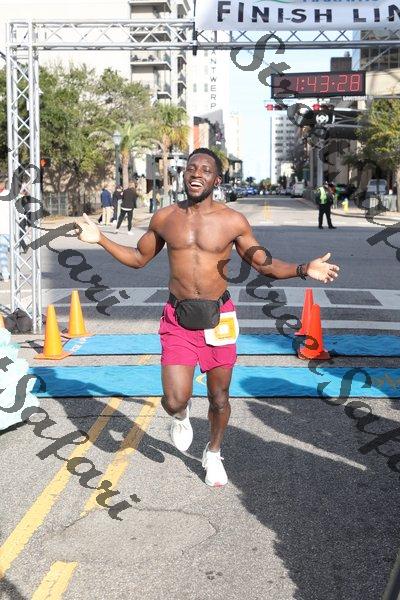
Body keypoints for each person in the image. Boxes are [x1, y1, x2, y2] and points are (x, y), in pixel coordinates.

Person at [76, 148, 340, 487]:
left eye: (205, 169)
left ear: (216, 180)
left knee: (219, 397)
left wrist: (303, 269)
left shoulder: (232, 221)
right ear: (184, 174)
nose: (196, 173)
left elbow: (264, 264)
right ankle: (181, 415)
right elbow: (139, 258)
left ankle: (213, 452)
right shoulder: (165, 217)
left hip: (219, 318)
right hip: (178, 318)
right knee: (174, 400)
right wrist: (101, 239)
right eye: (191, 168)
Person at [0, 180, 10, 281]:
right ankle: (5, 274)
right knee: (2, 253)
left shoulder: (8, 194)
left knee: (14, 253)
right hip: (3, 230)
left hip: (9, 228)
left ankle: (11, 274)